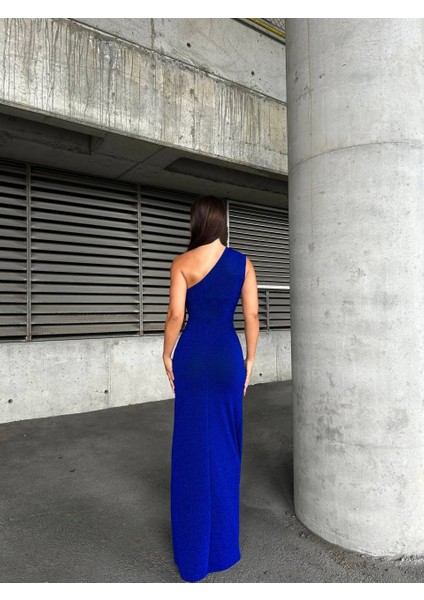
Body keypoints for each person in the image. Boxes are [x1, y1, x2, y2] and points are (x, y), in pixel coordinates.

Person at [162, 195, 259, 582]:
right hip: (226, 357)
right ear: (222, 223)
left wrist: (166, 353)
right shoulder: (243, 263)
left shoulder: (182, 263)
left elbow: (176, 315)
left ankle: (194, 552)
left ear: (196, 223)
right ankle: (222, 548)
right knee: (225, 447)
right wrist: (250, 359)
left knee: (191, 448)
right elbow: (252, 314)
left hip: (192, 356)